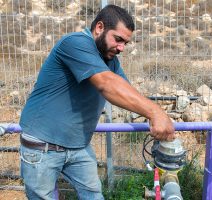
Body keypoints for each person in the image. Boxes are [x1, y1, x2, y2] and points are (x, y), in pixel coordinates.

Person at [19, 5, 175, 200]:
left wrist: (154, 113)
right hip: (42, 147)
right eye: (118, 39)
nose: (121, 48)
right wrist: (155, 112)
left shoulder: (109, 60)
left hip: (78, 146)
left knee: (94, 196)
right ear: (99, 27)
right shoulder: (75, 43)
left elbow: (124, 88)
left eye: (125, 43)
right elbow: (107, 84)